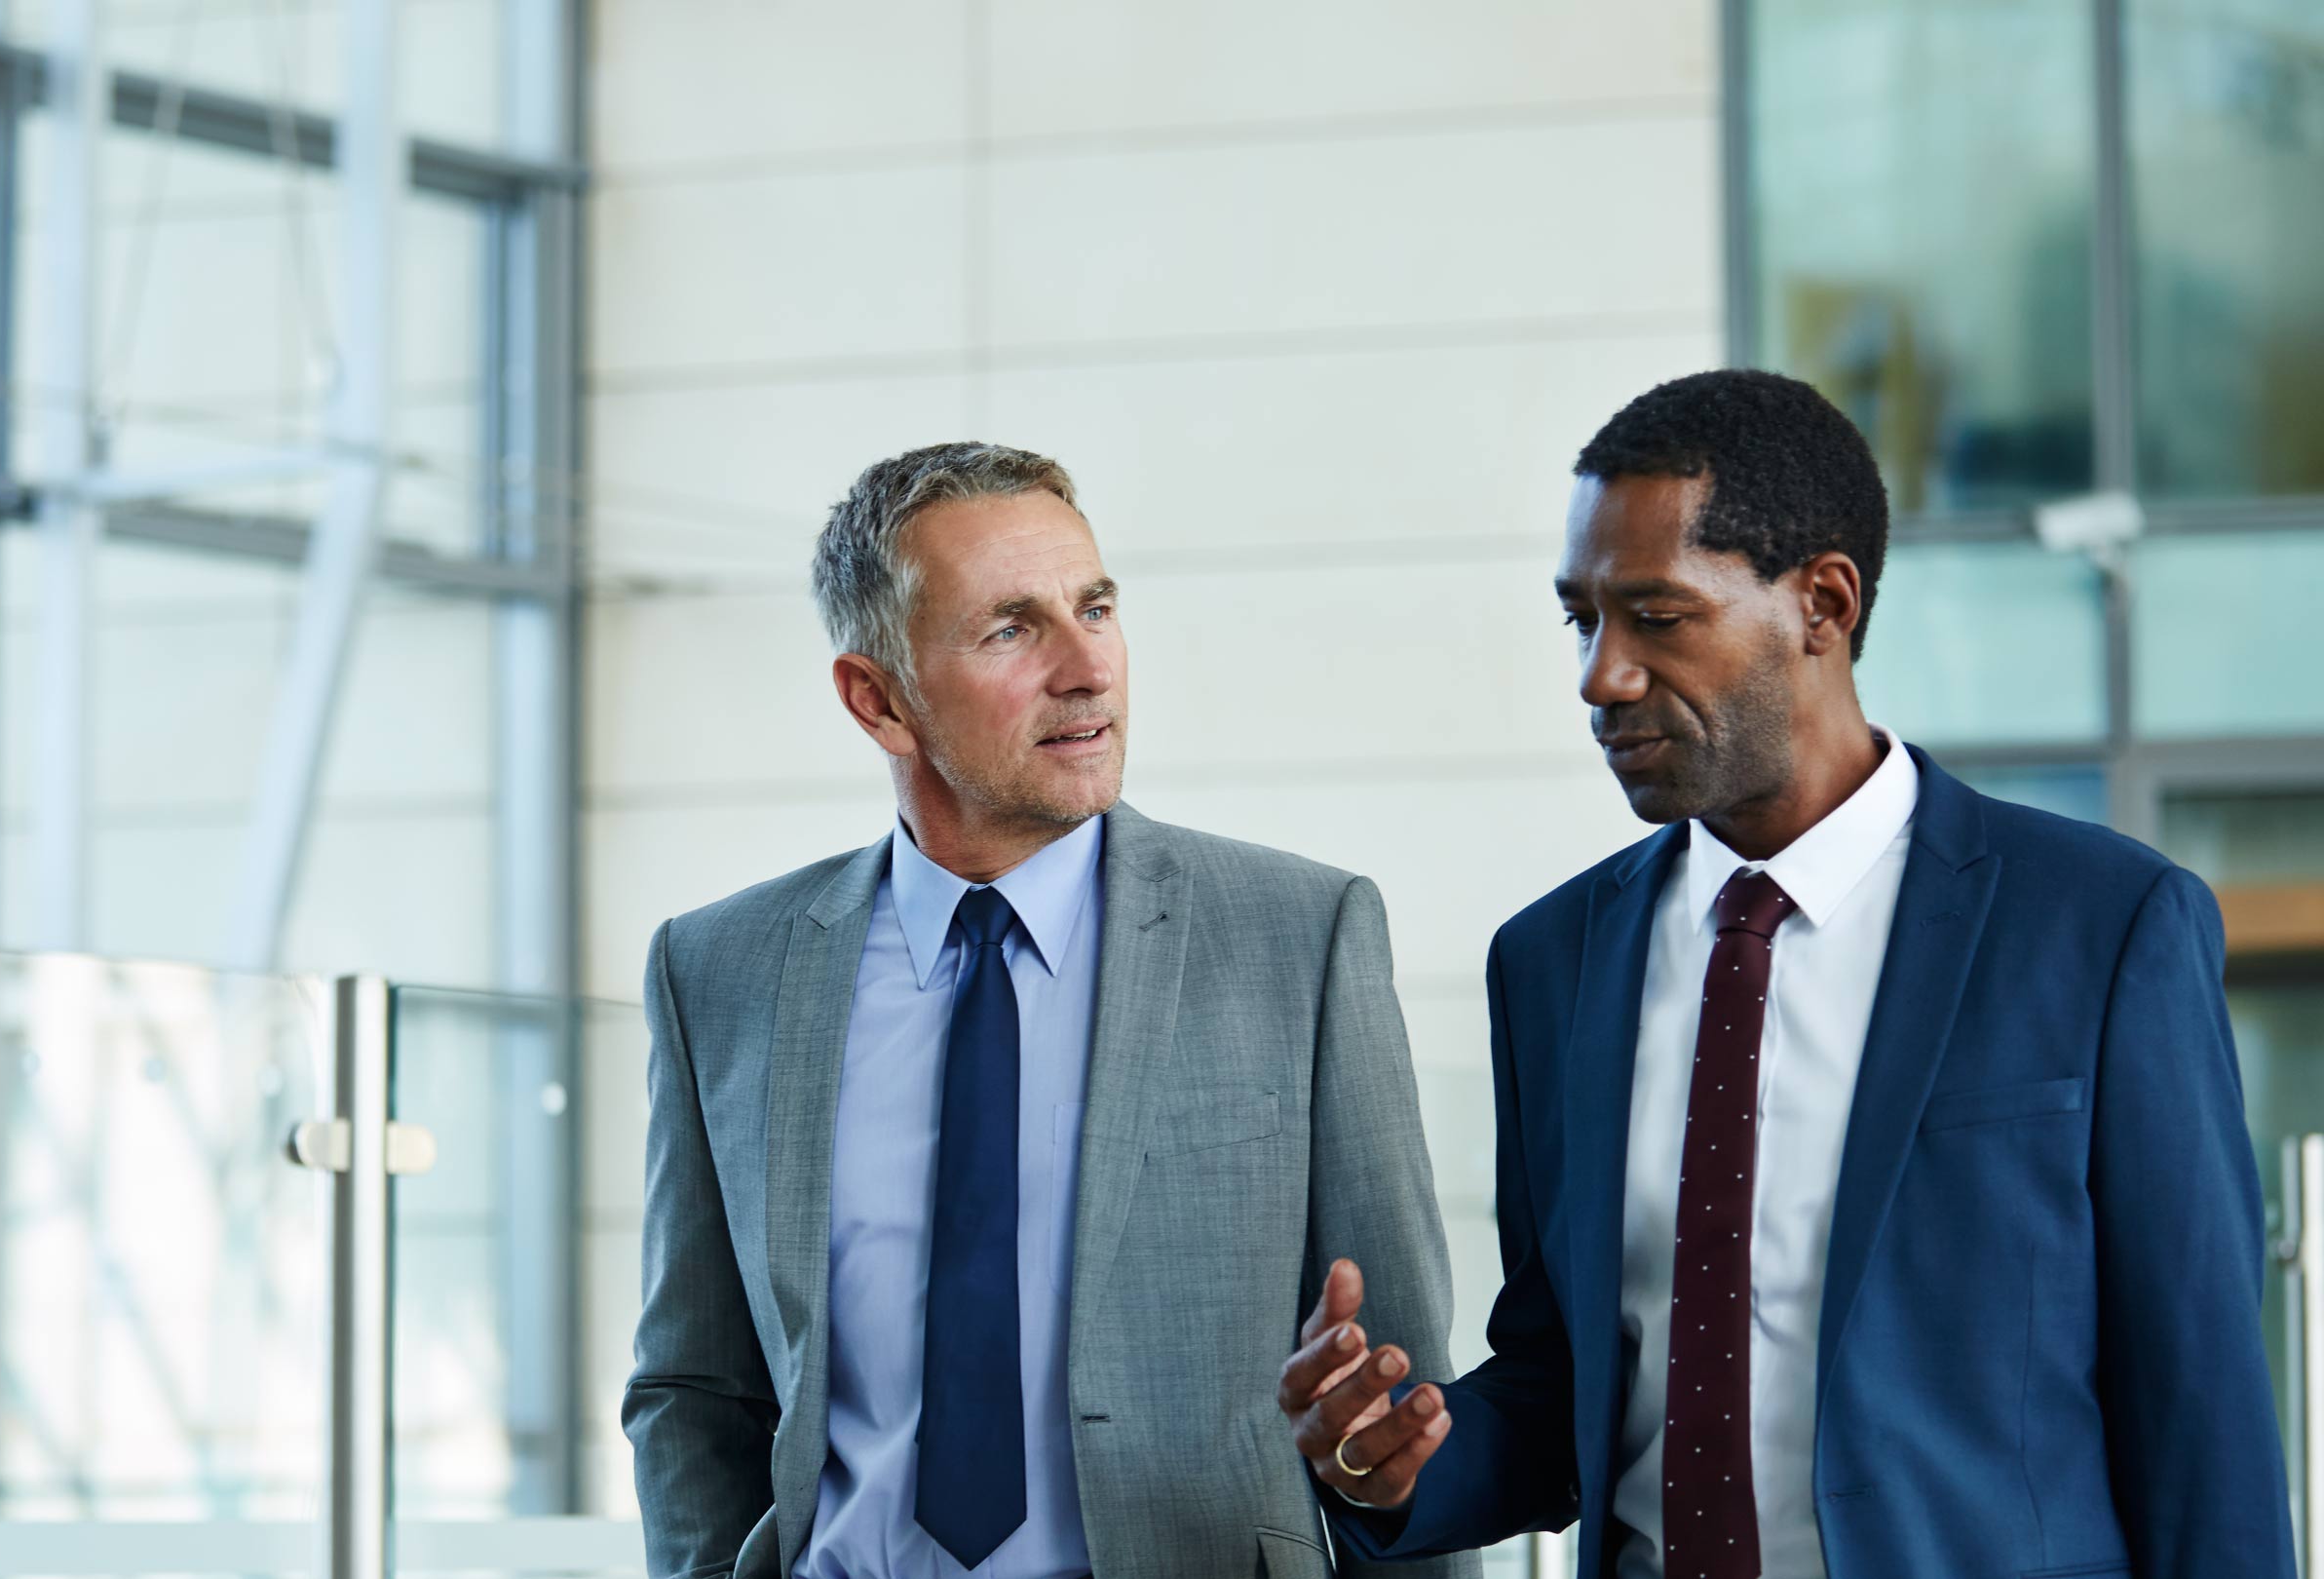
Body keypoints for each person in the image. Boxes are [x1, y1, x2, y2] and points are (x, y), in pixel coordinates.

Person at [1278, 369, 2294, 1578]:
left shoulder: (2102, 928)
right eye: (1583, 620)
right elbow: (1567, 1391)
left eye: (1655, 616)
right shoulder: (1551, 964)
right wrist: (1397, 1462)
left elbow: (2203, 1421)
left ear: (1822, 601)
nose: (1602, 677)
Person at [628, 442, 1474, 1579]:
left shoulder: (1299, 936)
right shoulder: (720, 970)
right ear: (878, 699)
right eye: (1012, 628)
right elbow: (695, 1385)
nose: (1089, 670)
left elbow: (1395, 1397)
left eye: (1097, 607)